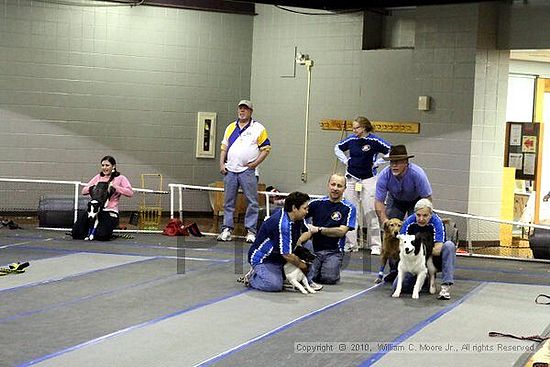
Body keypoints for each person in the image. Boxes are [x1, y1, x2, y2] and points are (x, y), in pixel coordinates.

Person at [334, 116, 390, 254]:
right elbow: (337, 147)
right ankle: (351, 244)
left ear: (364, 127)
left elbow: (391, 150)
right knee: (352, 211)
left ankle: (376, 246)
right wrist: (345, 160)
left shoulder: (374, 140)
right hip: (352, 179)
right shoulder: (351, 140)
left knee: (370, 211)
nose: (354, 130)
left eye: (356, 128)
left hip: (369, 179)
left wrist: (378, 162)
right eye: (353, 128)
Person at [217, 99, 271, 243]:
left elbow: (266, 149)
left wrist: (254, 164)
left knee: (252, 201)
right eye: (240, 108)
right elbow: (224, 147)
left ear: (250, 112)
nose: (242, 111)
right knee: (228, 202)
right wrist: (222, 164)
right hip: (230, 170)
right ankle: (226, 229)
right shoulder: (230, 128)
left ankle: (251, 231)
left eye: (245, 109)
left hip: (247, 171)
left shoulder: (258, 128)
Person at [244, 191, 316, 292]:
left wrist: (298, 241)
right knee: (274, 285)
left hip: (280, 255)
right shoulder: (282, 224)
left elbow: (307, 233)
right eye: (305, 208)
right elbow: (286, 255)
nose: (307, 211)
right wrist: (303, 266)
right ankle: (252, 277)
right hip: (265, 259)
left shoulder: (297, 217)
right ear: (294, 208)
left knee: (308, 245)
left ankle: (305, 280)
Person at [296, 174, 356, 285]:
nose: (335, 188)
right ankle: (315, 271)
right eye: (333, 184)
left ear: (344, 189)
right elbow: (298, 216)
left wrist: (318, 229)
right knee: (309, 277)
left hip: (334, 251)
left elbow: (341, 231)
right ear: (328, 185)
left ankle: (322, 271)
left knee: (329, 279)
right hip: (314, 250)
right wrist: (306, 231)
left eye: (339, 186)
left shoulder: (348, 208)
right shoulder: (316, 204)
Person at [395, 198, 456, 300]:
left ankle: (445, 286)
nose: (421, 219)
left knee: (449, 245)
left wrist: (420, 249)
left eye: (425, 215)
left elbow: (437, 249)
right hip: (414, 261)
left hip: (434, 259)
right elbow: (401, 246)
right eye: (418, 215)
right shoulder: (409, 222)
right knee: (400, 286)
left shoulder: (437, 222)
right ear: (415, 214)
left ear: (430, 215)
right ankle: (424, 279)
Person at [72, 156, 134, 241]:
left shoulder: (120, 178)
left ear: (113, 166)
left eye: (107, 165)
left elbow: (130, 193)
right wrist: (95, 187)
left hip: (110, 211)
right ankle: (90, 231)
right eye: (103, 165)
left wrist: (115, 187)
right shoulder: (98, 177)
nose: (104, 168)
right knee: (76, 233)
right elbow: (84, 191)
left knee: (102, 236)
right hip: (95, 210)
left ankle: (100, 231)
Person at [374, 145, 432, 224]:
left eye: (397, 162)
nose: (394, 165)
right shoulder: (384, 175)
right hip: (395, 200)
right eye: (392, 162)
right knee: (391, 224)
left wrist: (425, 216)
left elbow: (427, 198)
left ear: (406, 162)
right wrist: (384, 220)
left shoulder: (417, 174)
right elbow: (379, 201)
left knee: (415, 225)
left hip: (416, 200)